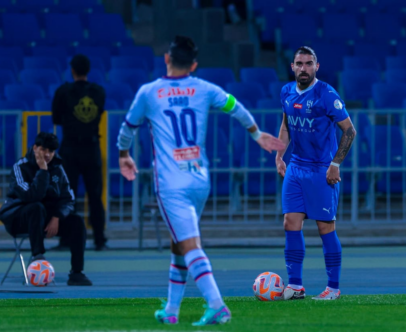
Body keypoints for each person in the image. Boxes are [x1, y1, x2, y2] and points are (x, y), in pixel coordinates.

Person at [117, 35, 284, 326]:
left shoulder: (149, 92)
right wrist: (257, 134)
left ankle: (217, 304)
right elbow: (236, 107)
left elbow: (127, 129)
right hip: (199, 180)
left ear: (167, 59)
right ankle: (171, 310)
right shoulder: (204, 89)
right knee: (178, 243)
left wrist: (123, 155)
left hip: (171, 183)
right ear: (193, 64)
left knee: (190, 245)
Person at [275, 46, 357, 301]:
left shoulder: (326, 94)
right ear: (292, 67)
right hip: (296, 167)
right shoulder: (287, 92)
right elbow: (287, 124)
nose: (303, 68)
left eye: (309, 63)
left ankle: (333, 288)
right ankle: (296, 285)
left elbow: (350, 131)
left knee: (325, 228)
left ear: (316, 67)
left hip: (322, 170)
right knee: (290, 222)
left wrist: (335, 164)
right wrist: (279, 155)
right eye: (299, 63)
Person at [0, 132, 92, 286]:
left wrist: (57, 217)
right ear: (35, 148)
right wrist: (42, 171)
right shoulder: (20, 167)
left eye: (51, 151)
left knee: (77, 222)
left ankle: (76, 273)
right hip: (18, 218)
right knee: (36, 207)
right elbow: (30, 196)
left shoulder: (58, 168)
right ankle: (38, 259)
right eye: (44, 150)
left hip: (46, 219)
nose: (47, 155)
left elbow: (68, 199)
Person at [51, 54, 108, 251]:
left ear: (72, 70)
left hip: (70, 151)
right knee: (95, 196)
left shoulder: (63, 92)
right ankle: (99, 240)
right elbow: (98, 112)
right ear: (88, 70)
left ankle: (67, 239)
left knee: (68, 196)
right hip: (91, 149)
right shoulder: (98, 92)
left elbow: (56, 119)